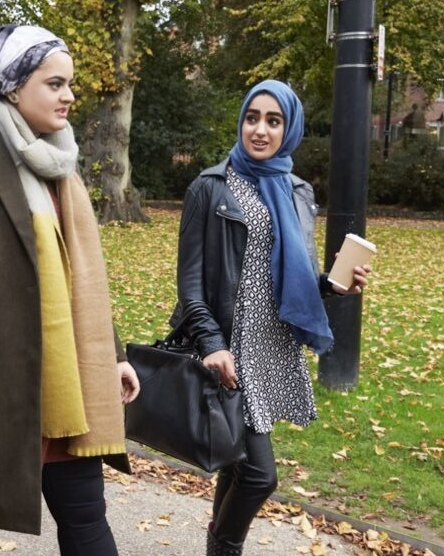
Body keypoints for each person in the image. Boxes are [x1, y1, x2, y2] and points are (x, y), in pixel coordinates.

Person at [0, 24, 140, 556]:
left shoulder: (57, 161)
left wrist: (111, 353)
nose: (69, 96)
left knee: (87, 522)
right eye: (55, 84)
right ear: (13, 88)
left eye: (70, 84)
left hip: (65, 390)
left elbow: (73, 273)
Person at [172, 80, 371, 556]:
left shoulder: (297, 191)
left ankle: (218, 549)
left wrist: (332, 285)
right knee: (260, 475)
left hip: (272, 346)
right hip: (229, 346)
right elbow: (191, 285)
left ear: (290, 129)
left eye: (273, 121)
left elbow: (289, 274)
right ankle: (225, 548)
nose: (259, 130)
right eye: (252, 118)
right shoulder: (209, 187)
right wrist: (212, 344)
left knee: (237, 463)